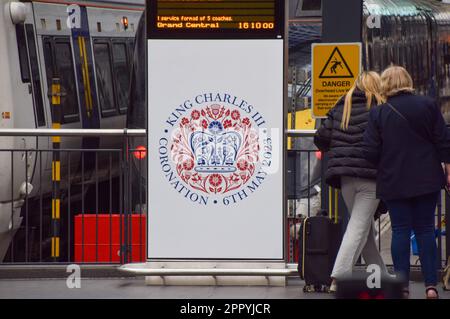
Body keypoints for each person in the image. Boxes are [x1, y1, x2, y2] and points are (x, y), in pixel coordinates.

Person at [363, 66, 450, 299]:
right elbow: (443, 141)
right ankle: (431, 286)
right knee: (425, 229)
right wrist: (448, 168)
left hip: (394, 180)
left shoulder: (378, 113)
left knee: (400, 230)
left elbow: (369, 151)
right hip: (427, 179)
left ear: (386, 84)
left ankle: (402, 286)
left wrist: (385, 161)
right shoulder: (428, 105)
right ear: (408, 81)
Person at [314, 71, 389, 292]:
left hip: (346, 177)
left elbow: (321, 136)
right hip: (371, 177)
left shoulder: (341, 105)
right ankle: (339, 277)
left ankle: (381, 276)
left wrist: (339, 148)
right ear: (377, 85)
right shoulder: (380, 108)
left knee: (363, 231)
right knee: (358, 227)